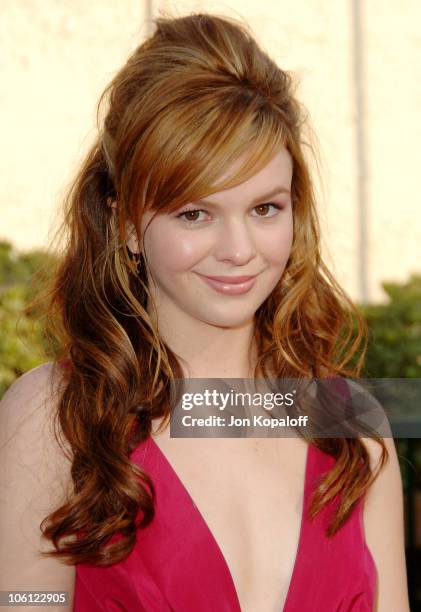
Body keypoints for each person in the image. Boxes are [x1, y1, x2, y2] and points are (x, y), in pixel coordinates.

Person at [0, 12, 409, 612]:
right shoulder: (56, 422)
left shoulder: (355, 432)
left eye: (266, 208)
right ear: (127, 223)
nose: (239, 250)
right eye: (196, 213)